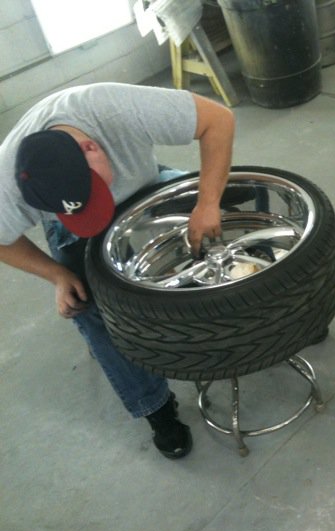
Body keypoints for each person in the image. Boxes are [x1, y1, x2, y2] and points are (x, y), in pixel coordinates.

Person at [0, 82, 235, 459]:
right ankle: (155, 407)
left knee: (232, 207)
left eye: (93, 191)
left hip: (145, 184)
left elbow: (218, 120)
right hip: (75, 228)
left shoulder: (115, 109)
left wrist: (207, 203)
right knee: (89, 305)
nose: (100, 202)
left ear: (92, 147)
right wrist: (56, 275)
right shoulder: (9, 182)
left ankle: (279, 302)